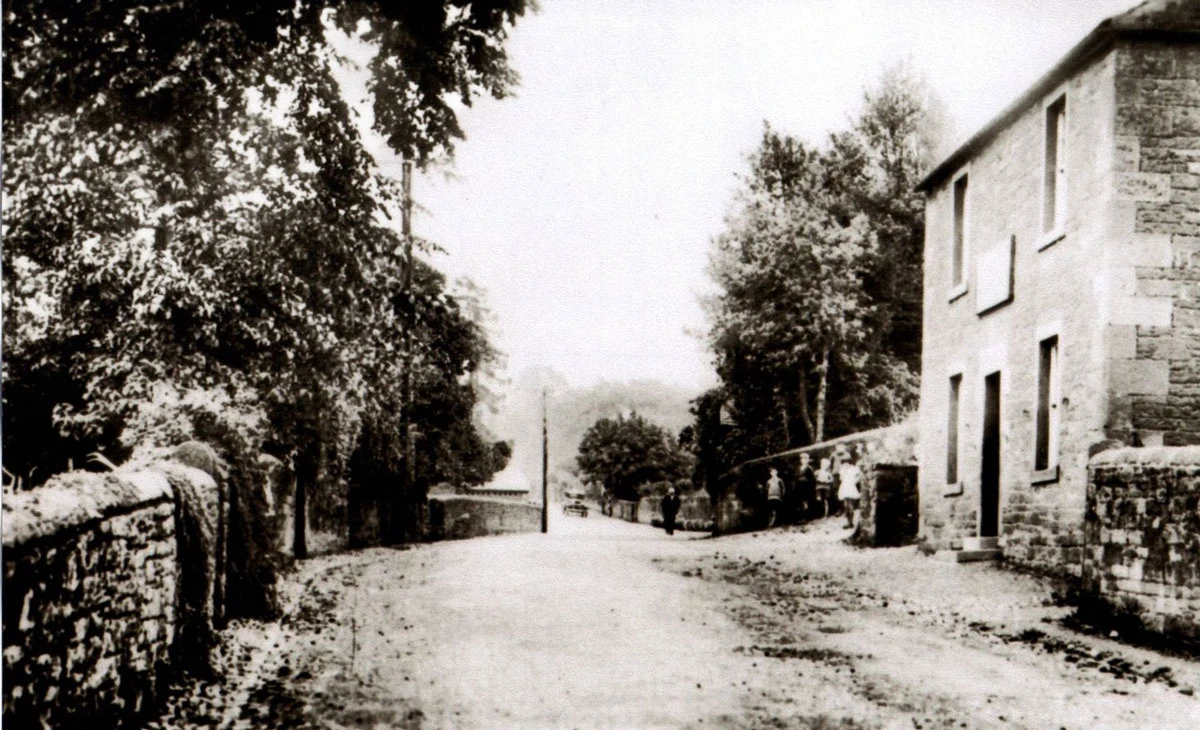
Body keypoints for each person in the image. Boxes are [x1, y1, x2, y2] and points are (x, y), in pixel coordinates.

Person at [838, 456, 863, 529]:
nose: (845, 465)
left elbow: (859, 475)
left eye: (847, 463)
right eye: (844, 463)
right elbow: (841, 478)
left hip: (851, 487)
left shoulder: (854, 469)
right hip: (844, 487)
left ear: (849, 463)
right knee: (846, 505)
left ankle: (851, 522)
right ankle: (848, 522)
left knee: (850, 505)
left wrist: (855, 481)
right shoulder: (842, 469)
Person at [795, 453, 816, 521]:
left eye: (805, 459)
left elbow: (813, 479)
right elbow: (796, 477)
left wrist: (806, 480)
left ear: (808, 460)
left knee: (806, 502)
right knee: (800, 501)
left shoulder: (809, 468)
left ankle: (806, 517)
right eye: (802, 459)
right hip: (799, 486)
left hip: (806, 487)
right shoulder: (799, 468)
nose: (803, 460)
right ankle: (801, 517)